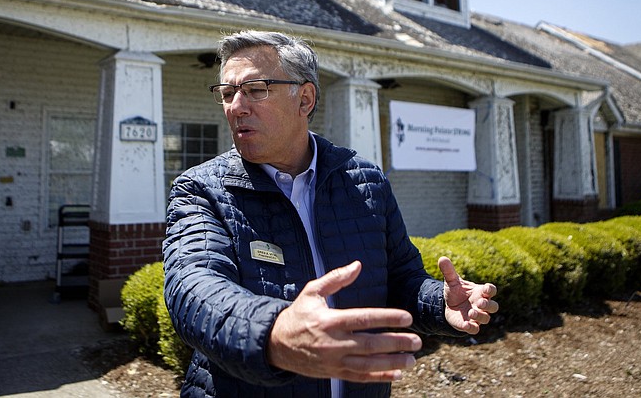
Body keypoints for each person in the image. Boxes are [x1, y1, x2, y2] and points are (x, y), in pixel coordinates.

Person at [163, 30, 498, 397]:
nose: (236, 106)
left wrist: (439, 303)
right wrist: (273, 332)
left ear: (304, 99)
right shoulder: (201, 189)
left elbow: (400, 278)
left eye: (255, 89)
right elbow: (192, 289)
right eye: (228, 93)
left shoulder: (365, 181)